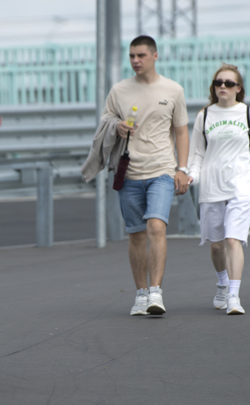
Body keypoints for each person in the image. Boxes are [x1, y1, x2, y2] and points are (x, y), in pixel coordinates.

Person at [82, 35, 190, 316]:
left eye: (141, 55)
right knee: (136, 235)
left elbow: (181, 131)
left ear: (155, 56)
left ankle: (156, 292)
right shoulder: (119, 90)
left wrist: (182, 168)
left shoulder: (173, 90)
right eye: (131, 56)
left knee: (156, 227)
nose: (135, 61)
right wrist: (117, 126)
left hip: (162, 171)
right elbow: (105, 121)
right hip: (128, 172)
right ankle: (140, 294)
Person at [186, 64, 250, 315]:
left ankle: (233, 294)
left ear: (238, 89)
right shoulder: (204, 116)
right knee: (216, 244)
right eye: (218, 82)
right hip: (211, 187)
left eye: (229, 83)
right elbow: (197, 153)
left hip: (242, 185)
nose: (222, 86)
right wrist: (191, 176)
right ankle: (222, 282)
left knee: (233, 239)